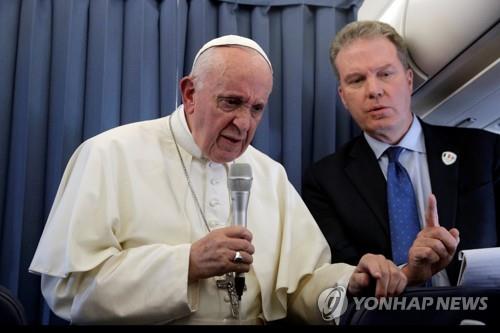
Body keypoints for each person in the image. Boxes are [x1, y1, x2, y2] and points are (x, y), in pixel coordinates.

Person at [29, 35, 409, 325]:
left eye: (256, 108)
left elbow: (301, 286)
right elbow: (68, 289)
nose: (244, 123)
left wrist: (348, 283)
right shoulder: (109, 154)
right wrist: (187, 263)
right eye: (231, 102)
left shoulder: (269, 175)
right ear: (191, 94)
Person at [302, 21, 499, 287]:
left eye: (385, 74)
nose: (374, 90)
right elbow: (342, 275)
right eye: (357, 80)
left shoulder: (484, 151)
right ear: (343, 97)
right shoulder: (324, 180)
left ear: (408, 81)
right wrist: (406, 273)